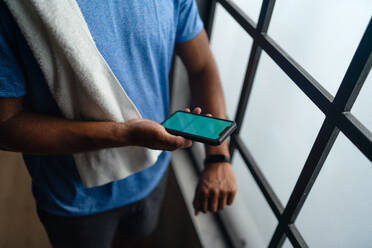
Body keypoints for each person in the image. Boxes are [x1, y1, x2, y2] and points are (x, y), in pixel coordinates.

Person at [0, 0, 237, 247]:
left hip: (151, 174)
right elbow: (6, 126)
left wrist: (218, 157)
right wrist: (124, 135)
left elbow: (202, 66)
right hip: (73, 198)